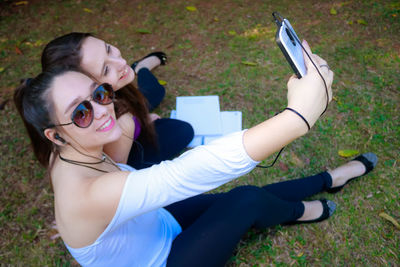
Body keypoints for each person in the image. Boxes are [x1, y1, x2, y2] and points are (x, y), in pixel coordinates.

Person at [14, 41, 377, 267]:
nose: (103, 110)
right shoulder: (86, 195)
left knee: (238, 199)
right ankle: (311, 201)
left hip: (155, 222)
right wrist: (296, 118)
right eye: (80, 112)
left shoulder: (65, 147)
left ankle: (329, 180)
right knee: (245, 200)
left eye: (101, 93)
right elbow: (183, 174)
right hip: (161, 259)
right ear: (55, 135)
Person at [41, 32, 194, 169]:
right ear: (84, 84)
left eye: (108, 49)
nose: (120, 62)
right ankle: (141, 69)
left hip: (126, 114)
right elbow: (119, 170)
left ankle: (142, 67)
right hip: (127, 147)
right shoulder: (118, 122)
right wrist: (136, 123)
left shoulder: (116, 94)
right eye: (105, 69)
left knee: (155, 91)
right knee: (181, 131)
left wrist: (141, 119)